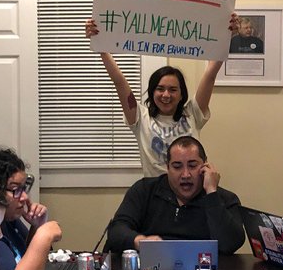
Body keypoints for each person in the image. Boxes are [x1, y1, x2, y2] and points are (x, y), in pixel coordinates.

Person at [85, 13, 237, 177]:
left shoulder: (193, 113)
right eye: (160, 89)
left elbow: (210, 74)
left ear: (181, 94)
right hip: (156, 194)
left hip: (191, 189)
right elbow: (119, 82)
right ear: (152, 92)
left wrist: (226, 36)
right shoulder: (139, 118)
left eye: (173, 90)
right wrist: (100, 45)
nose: (166, 95)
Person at [108, 136, 245, 255]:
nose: (185, 175)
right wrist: (140, 241)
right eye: (177, 166)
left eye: (192, 165)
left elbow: (230, 245)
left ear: (205, 166)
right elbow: (116, 231)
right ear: (167, 168)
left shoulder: (225, 199)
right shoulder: (144, 190)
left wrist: (211, 194)